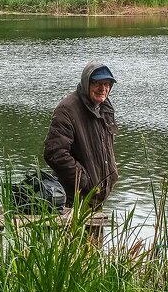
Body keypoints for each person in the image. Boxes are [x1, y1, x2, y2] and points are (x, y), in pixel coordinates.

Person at [43, 61, 118, 210]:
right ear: (86, 83)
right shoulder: (67, 110)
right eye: (98, 83)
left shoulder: (104, 108)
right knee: (74, 235)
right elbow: (55, 153)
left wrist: (112, 173)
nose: (103, 88)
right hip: (75, 200)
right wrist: (84, 180)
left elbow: (105, 146)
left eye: (107, 84)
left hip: (97, 198)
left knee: (95, 234)